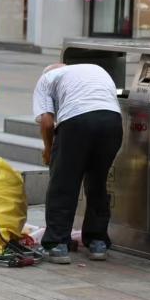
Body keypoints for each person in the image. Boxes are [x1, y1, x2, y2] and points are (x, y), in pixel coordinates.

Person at [33, 63, 123, 264]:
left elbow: (47, 122)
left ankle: (57, 244)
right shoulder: (95, 69)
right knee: (97, 182)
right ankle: (98, 242)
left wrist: (48, 150)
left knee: (63, 184)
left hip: (77, 122)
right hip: (112, 123)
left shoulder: (47, 78)